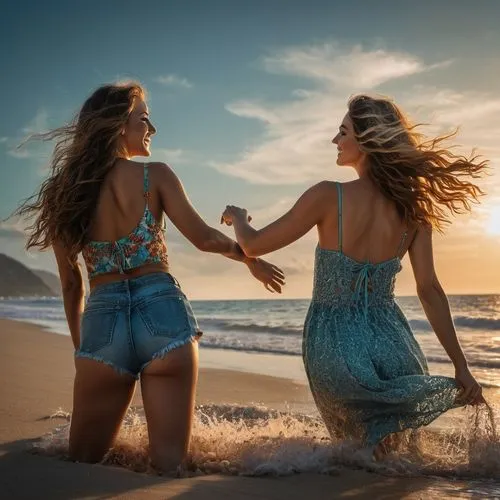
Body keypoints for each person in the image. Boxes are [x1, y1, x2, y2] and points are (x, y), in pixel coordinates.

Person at [14, 82, 285, 472]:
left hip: (102, 325)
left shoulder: (65, 193)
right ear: (117, 126)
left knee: (79, 465)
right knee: (169, 468)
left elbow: (71, 284)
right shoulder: (154, 176)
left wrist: (84, 352)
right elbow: (206, 238)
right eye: (144, 119)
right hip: (163, 317)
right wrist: (249, 261)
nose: (152, 130)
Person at [221, 94, 488, 459]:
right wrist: (462, 368)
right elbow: (430, 290)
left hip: (335, 344)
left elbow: (253, 247)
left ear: (366, 140)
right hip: (395, 343)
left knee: (357, 458)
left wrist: (238, 217)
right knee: (396, 463)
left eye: (342, 131)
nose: (336, 140)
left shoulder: (327, 196)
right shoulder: (414, 210)